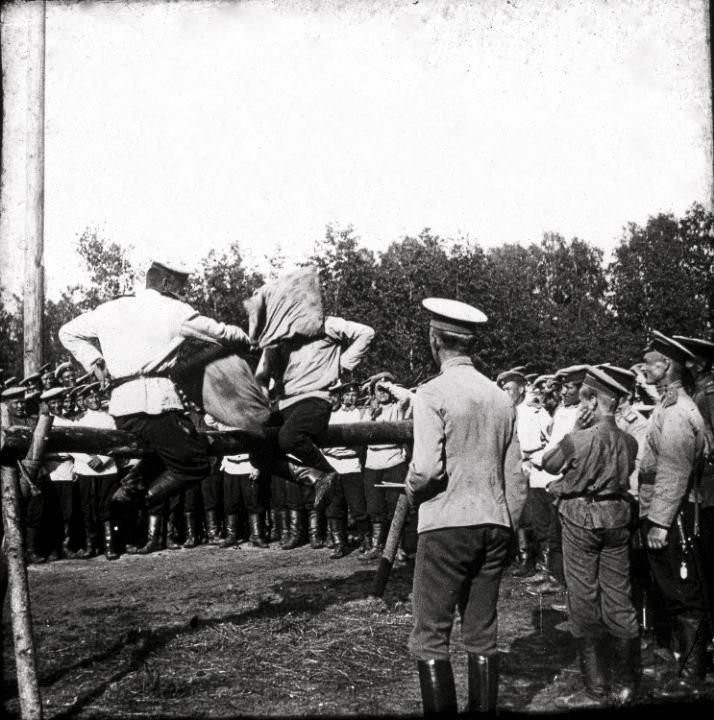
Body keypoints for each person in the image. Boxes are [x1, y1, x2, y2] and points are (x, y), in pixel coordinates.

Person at [59, 258, 252, 554]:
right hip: (154, 403)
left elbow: (67, 332)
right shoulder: (174, 310)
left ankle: (129, 490)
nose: (183, 293)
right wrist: (246, 340)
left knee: (166, 455)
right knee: (195, 463)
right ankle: (132, 504)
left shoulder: (110, 308)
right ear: (166, 283)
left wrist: (95, 361)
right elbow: (222, 332)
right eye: (181, 286)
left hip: (123, 407)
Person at [406, 298, 525, 715]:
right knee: (482, 633)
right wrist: (510, 527)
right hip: (495, 521)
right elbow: (516, 477)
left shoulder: (432, 393)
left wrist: (410, 489)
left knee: (430, 636)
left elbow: (425, 469)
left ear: (435, 340)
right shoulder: (499, 397)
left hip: (446, 523)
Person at [543, 367, 640, 709]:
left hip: (581, 519)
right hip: (617, 518)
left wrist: (574, 430)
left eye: (584, 397)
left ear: (593, 401)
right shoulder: (630, 440)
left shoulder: (578, 438)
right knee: (619, 597)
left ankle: (596, 690)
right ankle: (627, 687)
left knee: (583, 599)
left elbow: (548, 463)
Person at [253, 313, 374, 541]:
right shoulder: (276, 332)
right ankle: (315, 477)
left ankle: (327, 472)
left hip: (316, 399)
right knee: (257, 450)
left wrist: (340, 366)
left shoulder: (326, 324)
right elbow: (262, 375)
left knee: (289, 438)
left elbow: (366, 333)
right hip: (283, 402)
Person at [638, 330, 708, 697]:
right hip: (670, 510)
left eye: (649, 362)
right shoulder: (669, 407)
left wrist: (660, 522)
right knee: (675, 590)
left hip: (674, 514)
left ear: (666, 366)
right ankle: (686, 662)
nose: (644, 367)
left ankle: (692, 675)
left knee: (684, 593)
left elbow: (673, 471)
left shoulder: (679, 413)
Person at [359, 372, 414, 562]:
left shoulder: (399, 407)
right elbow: (360, 434)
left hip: (394, 461)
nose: (382, 393)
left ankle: (397, 547)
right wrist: (371, 414)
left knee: (395, 505)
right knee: (375, 507)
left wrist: (387, 384)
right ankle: (376, 546)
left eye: (385, 389)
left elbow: (407, 396)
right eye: (378, 390)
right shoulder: (368, 410)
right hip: (372, 462)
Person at [323, 381, 369, 558]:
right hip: (333, 467)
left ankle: (366, 541)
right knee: (334, 507)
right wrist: (339, 448)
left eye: (354, 394)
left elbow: (359, 443)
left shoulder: (361, 414)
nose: (350, 397)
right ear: (341, 395)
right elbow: (325, 446)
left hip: (352, 466)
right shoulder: (332, 415)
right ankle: (339, 544)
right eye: (347, 394)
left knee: (358, 507)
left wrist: (343, 448)